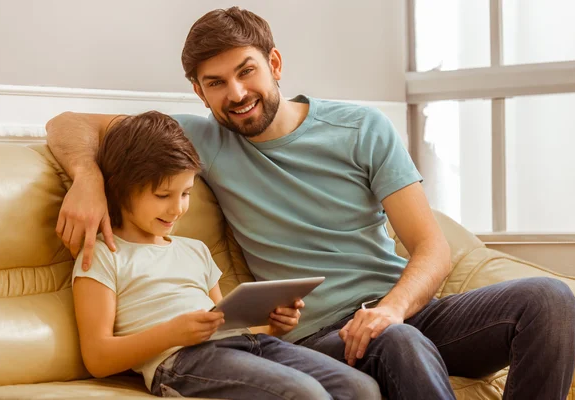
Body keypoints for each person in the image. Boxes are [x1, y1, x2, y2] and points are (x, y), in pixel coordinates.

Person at [48, 7, 575, 400]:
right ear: (198, 91)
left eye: (246, 71)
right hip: (321, 337)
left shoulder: (362, 128)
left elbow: (431, 247)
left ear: (274, 62)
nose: (235, 93)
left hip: (402, 312)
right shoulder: (198, 139)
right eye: (216, 83)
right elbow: (67, 124)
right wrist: (87, 177)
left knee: (550, 299)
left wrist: (391, 309)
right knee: (398, 343)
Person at [71, 110, 380, 399]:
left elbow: (223, 323)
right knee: (303, 393)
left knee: (361, 387)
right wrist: (171, 333)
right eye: (163, 195)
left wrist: (274, 325)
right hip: (180, 361)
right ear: (120, 188)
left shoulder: (195, 250)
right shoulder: (104, 255)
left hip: (246, 344)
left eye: (186, 193)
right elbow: (98, 358)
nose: (177, 208)